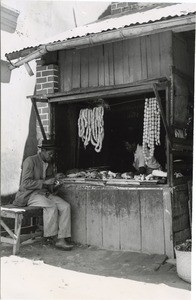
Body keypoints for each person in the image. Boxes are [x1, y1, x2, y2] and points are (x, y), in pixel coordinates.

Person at [13, 139, 73, 250]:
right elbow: (25, 183)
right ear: (43, 151)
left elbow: (49, 184)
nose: (52, 156)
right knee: (51, 205)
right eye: (50, 153)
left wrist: (56, 182)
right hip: (29, 195)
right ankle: (52, 236)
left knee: (65, 206)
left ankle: (62, 239)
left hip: (43, 193)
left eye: (53, 154)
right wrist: (45, 182)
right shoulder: (30, 161)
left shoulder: (48, 163)